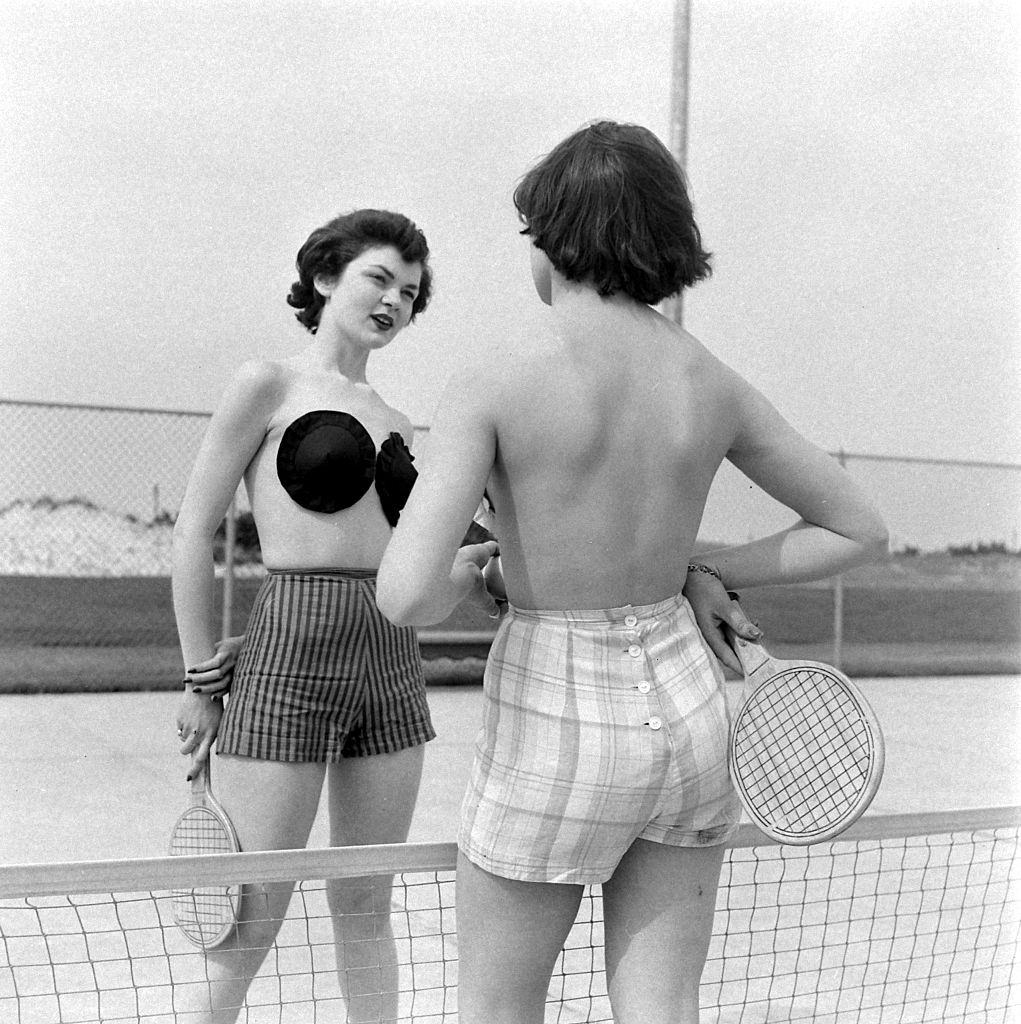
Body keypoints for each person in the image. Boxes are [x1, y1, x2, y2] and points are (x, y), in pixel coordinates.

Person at [375, 121, 888, 1024]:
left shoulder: (494, 375)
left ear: (554, 238)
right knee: (661, 1007)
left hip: (553, 712)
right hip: (690, 716)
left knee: (498, 1007)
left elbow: (408, 594)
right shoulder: (708, 379)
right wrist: (693, 566)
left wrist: (469, 569)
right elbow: (856, 527)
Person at [170, 208, 468, 1024]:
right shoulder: (265, 384)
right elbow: (194, 530)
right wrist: (200, 677)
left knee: (366, 905)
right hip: (288, 662)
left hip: (390, 666)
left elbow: (435, 559)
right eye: (378, 278)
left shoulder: (400, 424)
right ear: (327, 277)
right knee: (246, 921)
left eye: (409, 291)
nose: (393, 301)